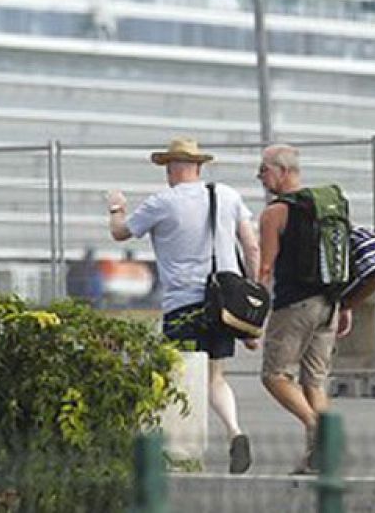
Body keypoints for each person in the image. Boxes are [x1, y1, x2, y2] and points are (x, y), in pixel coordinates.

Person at [107, 137, 260, 474]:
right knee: (215, 378)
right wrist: (251, 295)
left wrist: (117, 207)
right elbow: (251, 247)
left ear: (172, 167)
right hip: (224, 302)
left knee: (178, 377)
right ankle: (235, 431)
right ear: (198, 166)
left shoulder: (162, 202)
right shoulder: (227, 195)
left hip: (183, 304)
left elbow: (120, 233)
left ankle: (182, 454)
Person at [255, 144, 350, 475]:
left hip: (295, 305)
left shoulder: (274, 213)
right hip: (329, 303)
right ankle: (321, 457)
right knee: (314, 382)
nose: (260, 177)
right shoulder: (327, 206)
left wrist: (253, 316)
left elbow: (265, 268)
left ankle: (314, 426)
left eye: (264, 170)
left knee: (275, 376)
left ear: (282, 171)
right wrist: (343, 305)